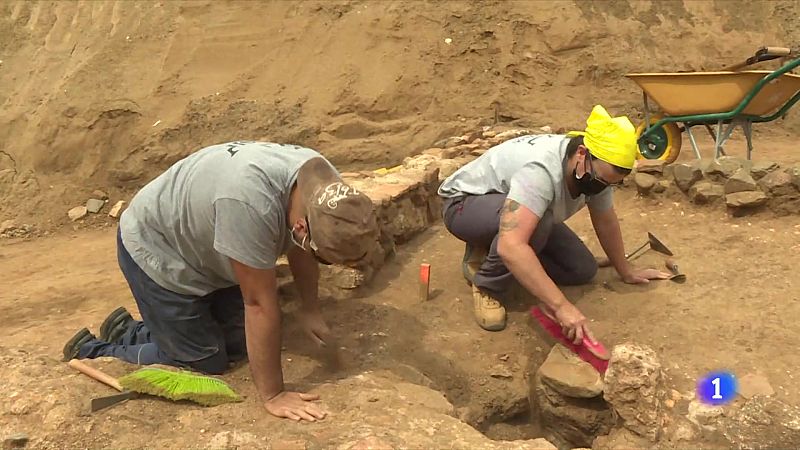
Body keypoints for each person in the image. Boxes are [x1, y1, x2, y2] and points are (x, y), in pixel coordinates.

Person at [62, 141, 379, 422]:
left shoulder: (324, 188)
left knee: (241, 347)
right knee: (203, 362)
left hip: (211, 247)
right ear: (301, 226)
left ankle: (131, 330)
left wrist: (310, 309)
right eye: (322, 255)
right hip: (159, 249)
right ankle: (94, 350)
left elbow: (302, 250)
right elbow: (258, 305)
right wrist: (273, 395)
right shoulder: (251, 205)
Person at [438, 105, 669, 336]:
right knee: (530, 231)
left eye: (610, 183)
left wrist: (625, 270)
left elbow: (605, 220)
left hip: (518, 210)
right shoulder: (542, 171)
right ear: (581, 154)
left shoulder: (597, 171)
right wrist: (561, 307)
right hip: (465, 205)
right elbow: (512, 245)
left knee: (582, 270)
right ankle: (487, 285)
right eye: (600, 179)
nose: (601, 187)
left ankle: (491, 246)